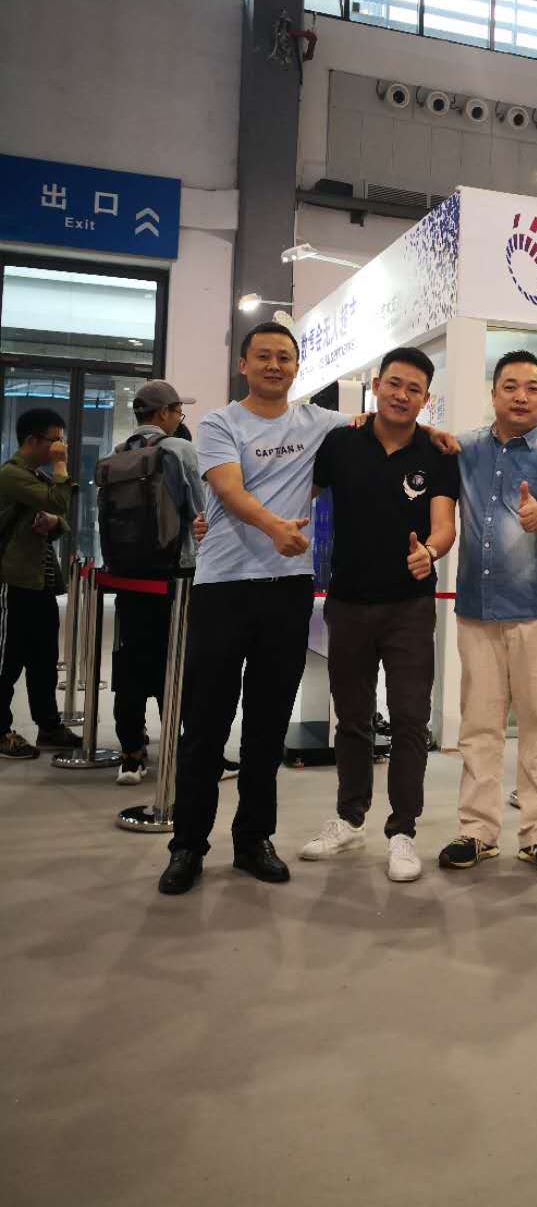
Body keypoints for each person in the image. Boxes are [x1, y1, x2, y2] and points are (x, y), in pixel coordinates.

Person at [158, 321, 358, 896]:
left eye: (285, 357)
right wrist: (275, 528)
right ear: (243, 364)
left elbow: (376, 429)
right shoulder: (220, 424)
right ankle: (188, 845)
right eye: (264, 356)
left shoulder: (321, 424)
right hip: (224, 586)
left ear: (297, 367)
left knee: (268, 726)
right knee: (205, 724)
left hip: (287, 589)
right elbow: (228, 488)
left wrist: (437, 435)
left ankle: (253, 840)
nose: (275, 365)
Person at [300, 347, 459, 883]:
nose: (401, 395)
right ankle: (350, 818)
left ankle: (403, 830)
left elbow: (444, 525)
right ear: (376, 386)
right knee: (352, 717)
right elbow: (298, 496)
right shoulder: (342, 442)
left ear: (425, 398)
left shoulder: (437, 453)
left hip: (410, 606)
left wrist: (429, 552)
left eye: (414, 389)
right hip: (347, 602)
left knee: (411, 718)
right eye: (394, 384)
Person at [438, 350, 537, 877]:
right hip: (478, 610)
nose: (522, 396)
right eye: (511, 386)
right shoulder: (464, 449)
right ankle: (477, 831)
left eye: (533, 387)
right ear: (494, 392)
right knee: (479, 726)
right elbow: (419, 443)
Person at [111, 380, 208, 785]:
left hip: (128, 576)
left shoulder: (118, 453)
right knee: (177, 661)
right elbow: (202, 511)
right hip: (175, 574)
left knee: (131, 659)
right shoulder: (179, 450)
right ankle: (180, 751)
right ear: (165, 413)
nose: (179, 417)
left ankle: (131, 754)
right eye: (178, 411)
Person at [0, 408, 80, 759]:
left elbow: (62, 516)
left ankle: (48, 726)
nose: (60, 447)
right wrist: (61, 467)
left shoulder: (35, 477)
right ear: (32, 440)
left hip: (40, 583)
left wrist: (53, 521)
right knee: (7, 661)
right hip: (12, 582)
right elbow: (59, 499)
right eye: (55, 440)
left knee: (44, 659)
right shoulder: (11, 475)